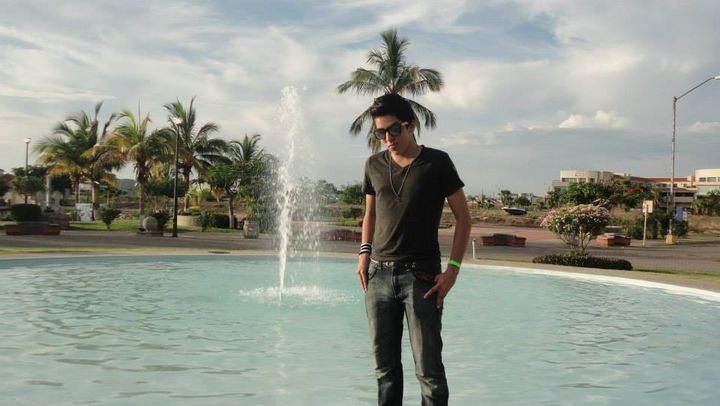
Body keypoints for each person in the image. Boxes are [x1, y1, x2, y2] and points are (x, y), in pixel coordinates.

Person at [357, 93, 471, 405]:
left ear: (410, 125)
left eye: (394, 130)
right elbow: (370, 213)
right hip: (378, 276)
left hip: (421, 278)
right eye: (380, 133)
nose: (387, 138)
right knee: (385, 370)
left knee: (429, 371)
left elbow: (463, 218)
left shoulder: (437, 162)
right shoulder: (373, 165)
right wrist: (364, 253)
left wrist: (453, 271)